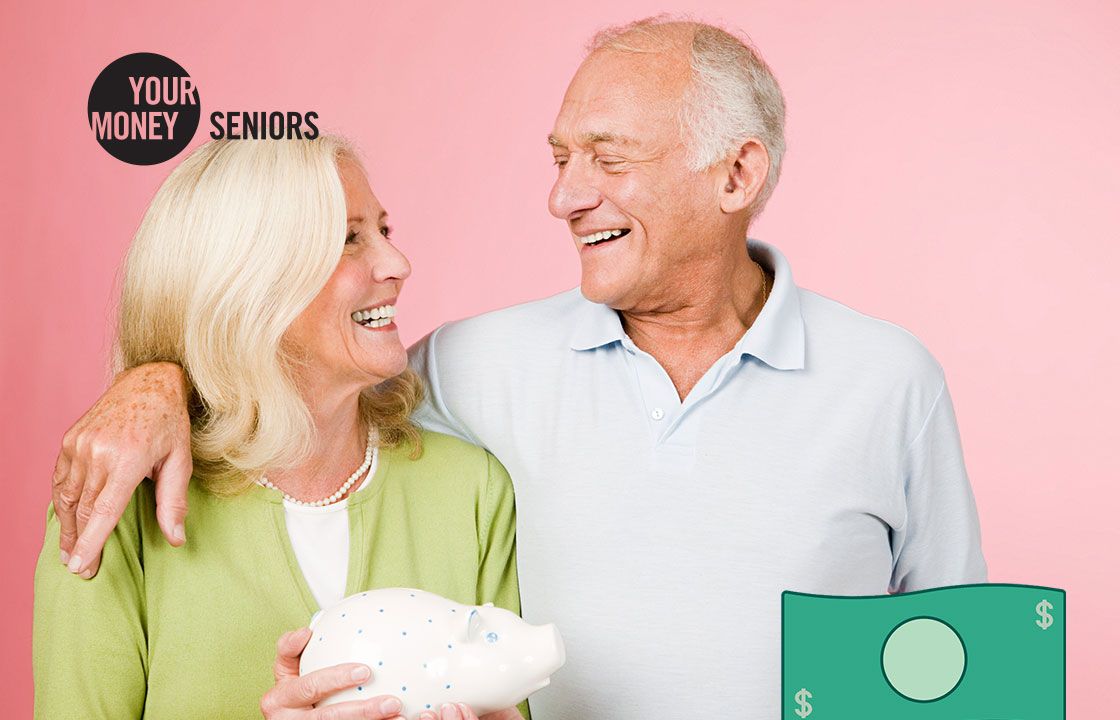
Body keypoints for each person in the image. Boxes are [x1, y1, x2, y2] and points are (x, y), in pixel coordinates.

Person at [48, 18, 986, 717]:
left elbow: (964, 673)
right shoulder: (475, 365)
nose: (563, 196)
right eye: (560, 157)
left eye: (607, 160)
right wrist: (156, 381)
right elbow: (285, 367)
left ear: (737, 177)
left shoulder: (890, 381)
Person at [34, 136, 525, 720]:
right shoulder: (115, 504)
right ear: (248, 282)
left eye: (384, 231)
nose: (398, 264)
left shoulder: (472, 489)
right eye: (348, 239)